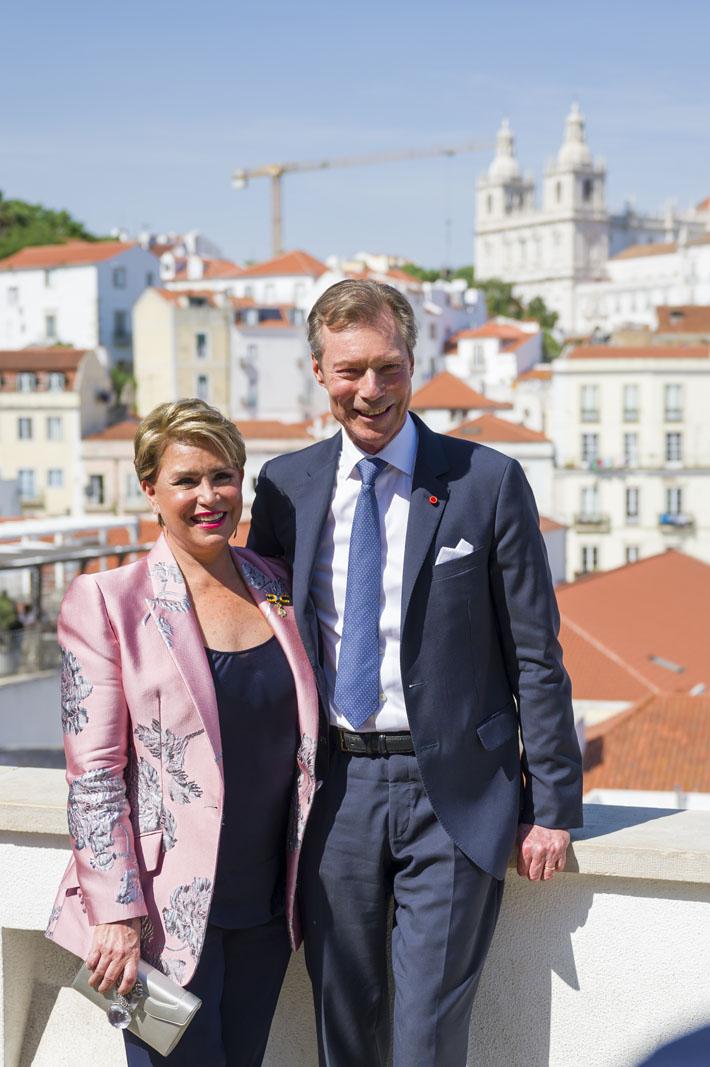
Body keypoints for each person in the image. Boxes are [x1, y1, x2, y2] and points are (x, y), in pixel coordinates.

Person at [248, 280, 584, 1067]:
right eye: (350, 370)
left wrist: (554, 804)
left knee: (427, 1040)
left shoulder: (487, 480)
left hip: (457, 797)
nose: (372, 390)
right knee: (346, 1033)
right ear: (318, 371)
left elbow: (536, 653)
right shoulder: (284, 488)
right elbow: (264, 651)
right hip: (334, 794)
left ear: (415, 361)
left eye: (390, 367)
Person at [46, 398, 319, 1066]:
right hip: (160, 920)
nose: (209, 496)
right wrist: (115, 911)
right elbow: (97, 777)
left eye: (223, 476)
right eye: (187, 480)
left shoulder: (275, 585)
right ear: (151, 490)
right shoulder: (109, 600)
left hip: (267, 906)